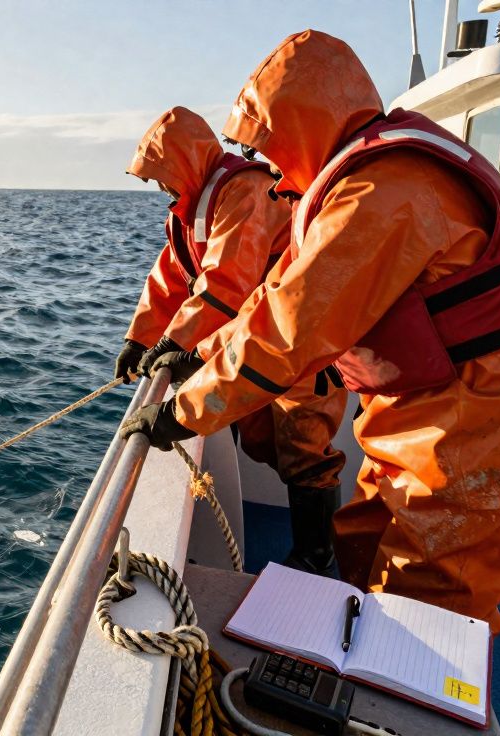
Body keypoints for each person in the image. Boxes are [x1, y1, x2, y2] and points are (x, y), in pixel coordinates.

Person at [122, 29, 500, 632]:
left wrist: (181, 413)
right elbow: (278, 295)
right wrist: (199, 357)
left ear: (306, 131)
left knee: (422, 615)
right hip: (424, 429)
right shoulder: (362, 183)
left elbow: (292, 326)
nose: (277, 180)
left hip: (485, 440)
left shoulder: (382, 192)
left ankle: (391, 720)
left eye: (275, 152)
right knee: (363, 551)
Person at [116, 106, 347, 574]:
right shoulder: (189, 210)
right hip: (246, 338)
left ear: (185, 162)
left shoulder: (244, 189)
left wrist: (176, 344)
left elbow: (226, 281)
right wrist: (140, 340)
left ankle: (317, 555)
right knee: (254, 432)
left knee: (304, 441)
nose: (160, 188)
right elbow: (170, 278)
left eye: (163, 176)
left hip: (293, 335)